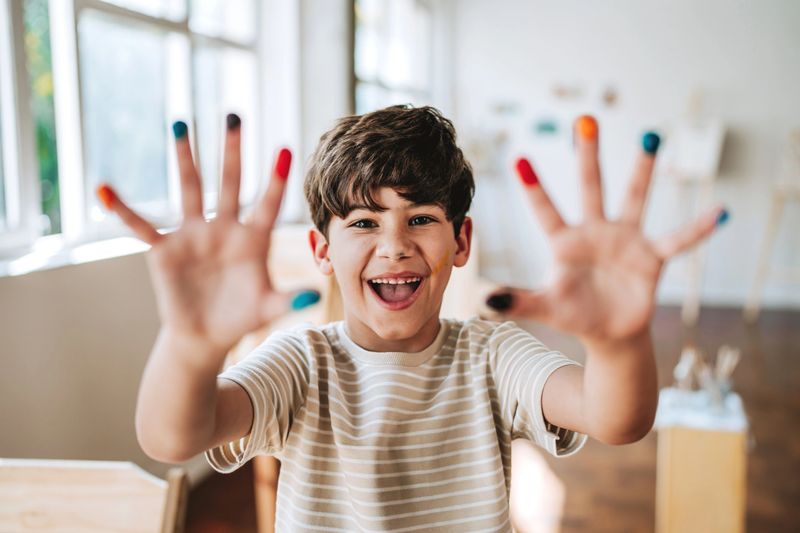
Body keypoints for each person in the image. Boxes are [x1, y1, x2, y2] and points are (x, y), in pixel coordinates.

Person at [97, 105, 726, 531]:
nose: (394, 246)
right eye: (364, 223)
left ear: (461, 241)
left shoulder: (492, 354)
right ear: (322, 251)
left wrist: (619, 343)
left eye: (421, 217)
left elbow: (618, 420)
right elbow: (171, 438)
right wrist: (188, 344)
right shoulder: (302, 364)